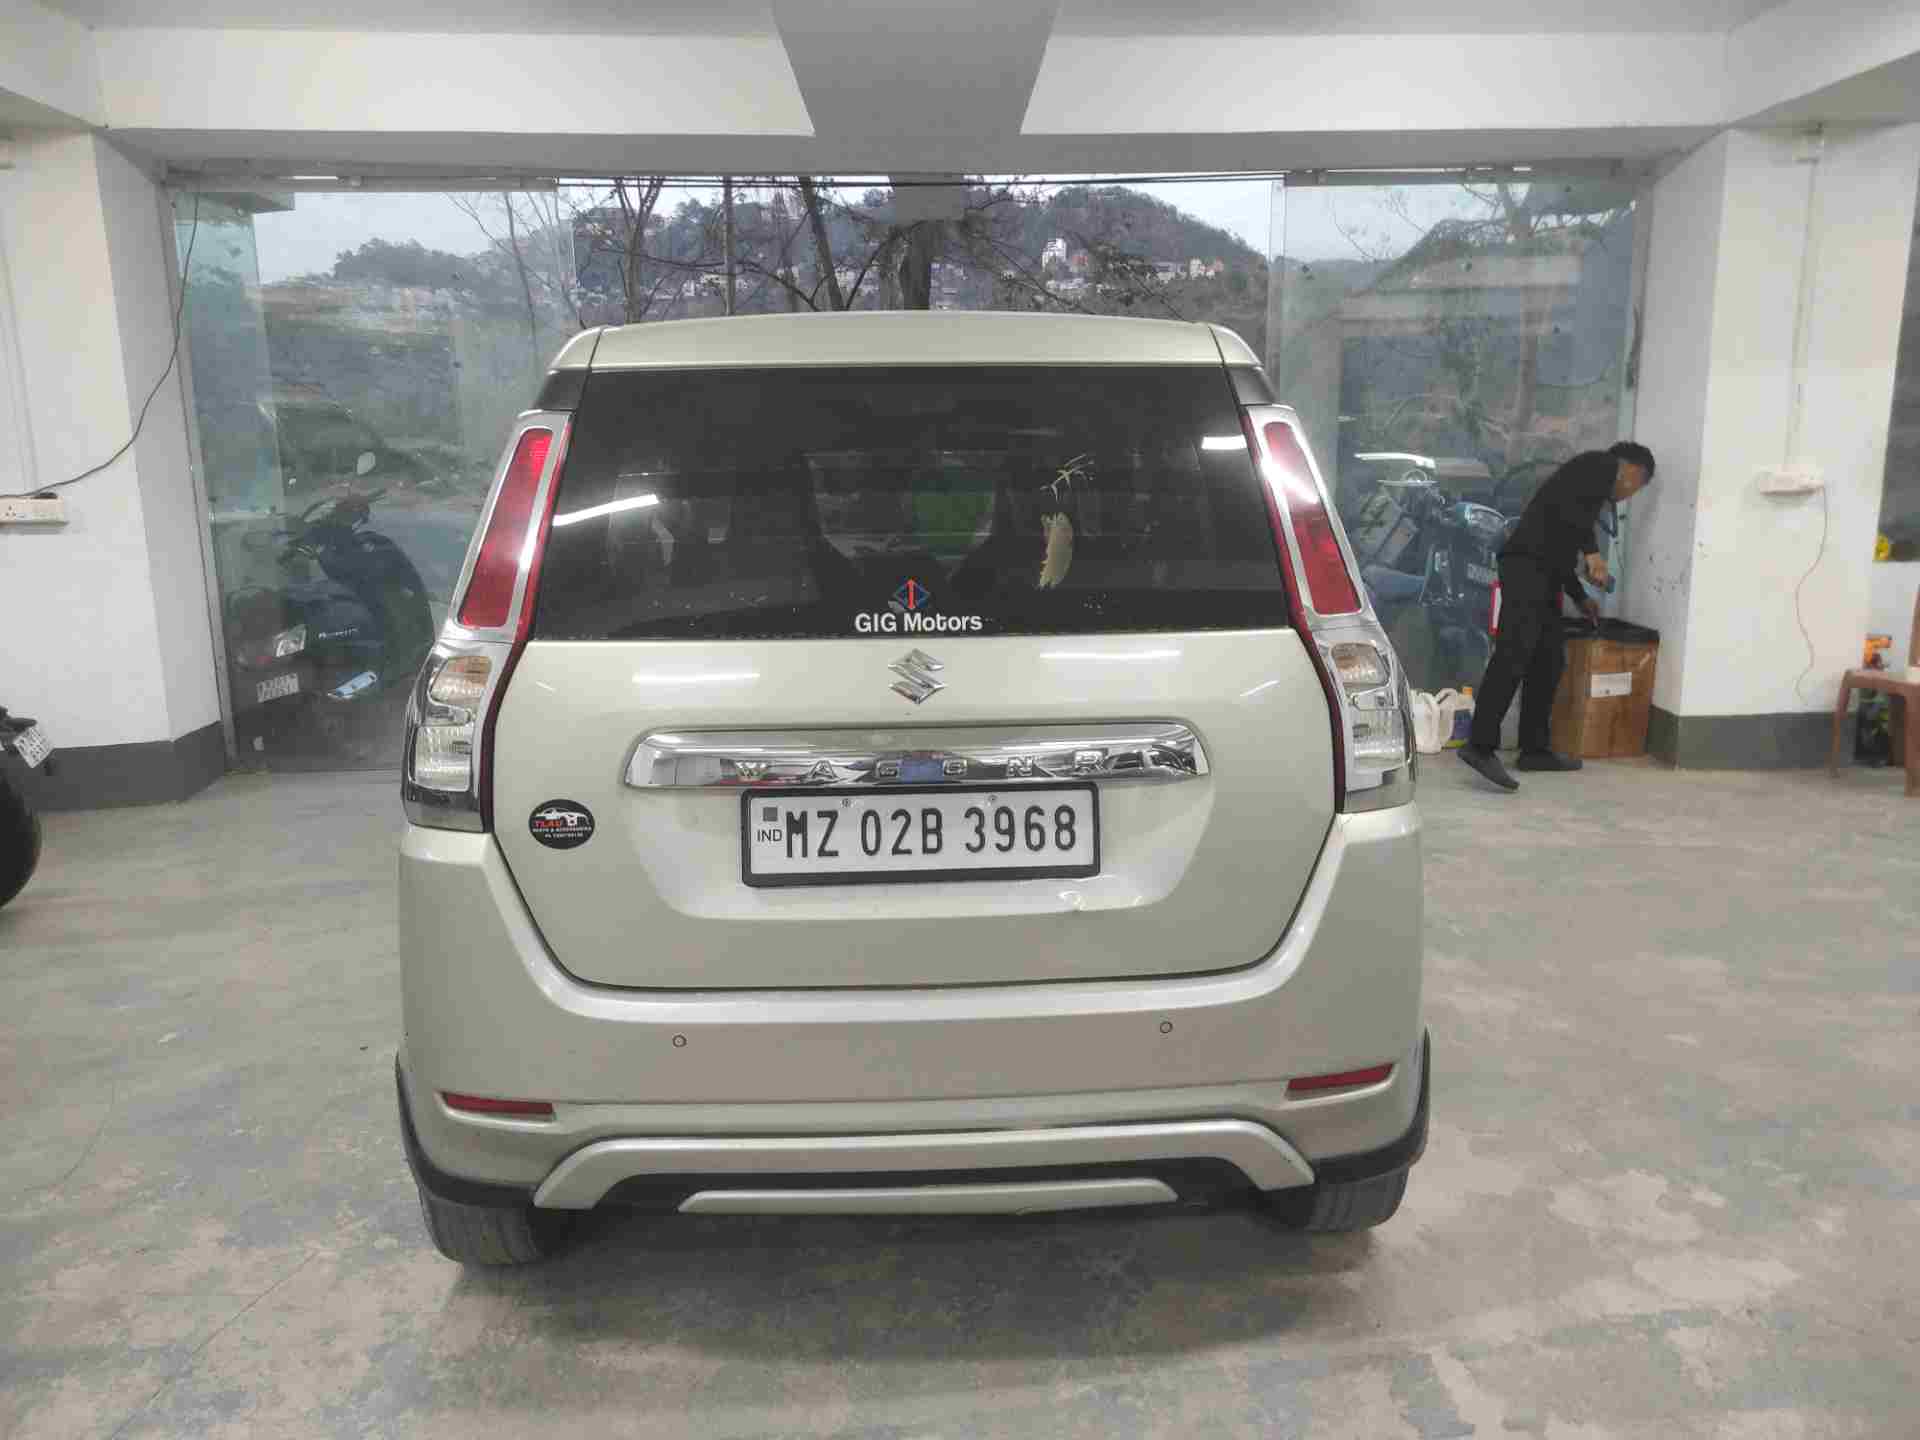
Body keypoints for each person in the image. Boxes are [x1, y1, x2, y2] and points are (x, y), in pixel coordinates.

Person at [1459, 442, 1656, 791]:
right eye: (1636, 486)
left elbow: (1562, 546)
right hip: (1526, 569)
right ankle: (1480, 745)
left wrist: (1580, 598)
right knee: (1514, 653)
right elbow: (1579, 520)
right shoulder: (1600, 464)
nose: (1627, 495)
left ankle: (1535, 749)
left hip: (1545, 575)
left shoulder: (1579, 495)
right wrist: (1593, 554)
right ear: (1631, 470)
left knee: (1548, 660)